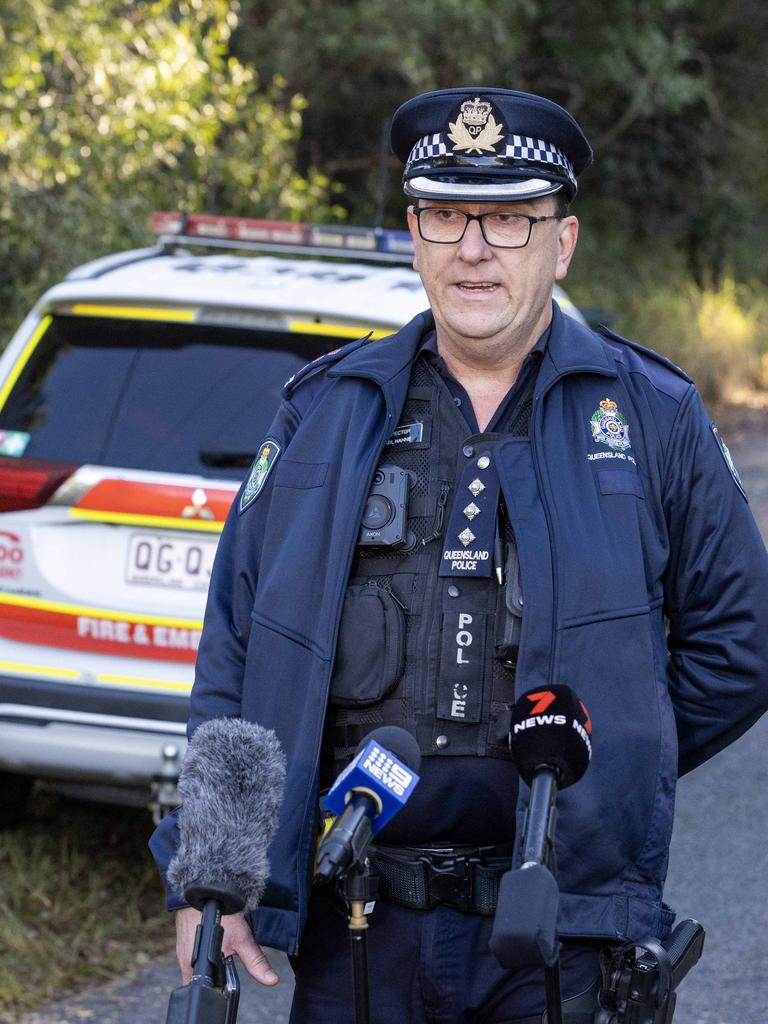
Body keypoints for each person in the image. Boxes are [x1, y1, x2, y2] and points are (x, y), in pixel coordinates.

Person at [150, 87, 768, 1023]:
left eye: (510, 220)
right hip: (357, 921)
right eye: (445, 215)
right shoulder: (323, 412)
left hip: (561, 932)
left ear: (562, 243)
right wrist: (217, 877)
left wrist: (619, 753)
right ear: (413, 233)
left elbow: (741, 640)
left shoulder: (650, 417)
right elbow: (238, 648)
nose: (473, 249)